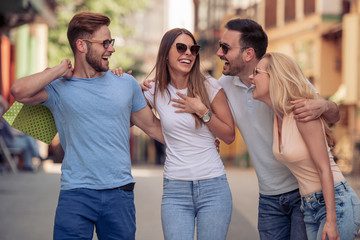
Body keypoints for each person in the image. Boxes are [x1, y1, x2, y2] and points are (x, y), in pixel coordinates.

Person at [11, 12, 164, 240]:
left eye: (110, 42)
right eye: (105, 43)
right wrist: (57, 70)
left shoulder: (126, 83)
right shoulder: (59, 86)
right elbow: (18, 91)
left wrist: (199, 141)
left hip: (119, 193)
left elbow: (153, 128)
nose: (111, 49)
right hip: (75, 193)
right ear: (81, 45)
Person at [217, 18, 340, 239]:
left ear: (248, 54)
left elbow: (333, 115)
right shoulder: (223, 86)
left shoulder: (281, 77)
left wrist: (323, 105)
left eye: (225, 47)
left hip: (304, 192)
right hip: (268, 198)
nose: (219, 53)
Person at [250, 51, 360, 240]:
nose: (251, 78)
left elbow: (324, 168)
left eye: (257, 72)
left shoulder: (302, 113)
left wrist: (331, 221)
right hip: (309, 206)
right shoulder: (278, 116)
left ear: (275, 77)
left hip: (335, 203)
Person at [142, 28, 235, 240]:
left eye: (193, 49)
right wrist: (130, 87)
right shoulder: (155, 90)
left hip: (213, 188)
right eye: (181, 48)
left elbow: (229, 135)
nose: (188, 53)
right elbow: (128, 119)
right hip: (175, 190)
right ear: (166, 53)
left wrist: (202, 111)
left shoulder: (209, 86)